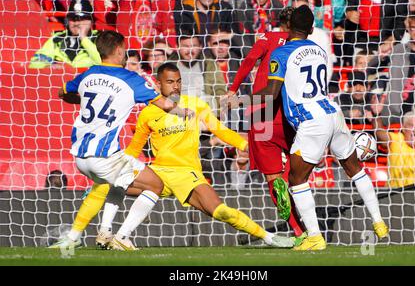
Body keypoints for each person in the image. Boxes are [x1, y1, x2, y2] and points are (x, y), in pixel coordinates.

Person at [61, 63, 295, 250]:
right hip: (159, 172)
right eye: (170, 82)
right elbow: (133, 150)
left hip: (188, 175)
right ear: (159, 83)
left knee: (220, 211)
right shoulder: (148, 114)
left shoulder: (196, 105)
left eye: (178, 81)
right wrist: (107, 174)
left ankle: (268, 237)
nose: (175, 86)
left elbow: (220, 130)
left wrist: (246, 144)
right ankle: (93, 235)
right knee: (106, 185)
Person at [258, 5, 388, 250]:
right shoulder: (318, 50)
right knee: (354, 167)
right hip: (333, 112)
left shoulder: (281, 53)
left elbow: (272, 92)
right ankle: (379, 221)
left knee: (297, 178)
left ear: (286, 28)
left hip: (310, 120)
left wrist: (250, 96)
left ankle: (315, 237)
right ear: (310, 29)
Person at [48, 30, 192, 249]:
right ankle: (122, 237)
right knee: (155, 185)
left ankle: (98, 233)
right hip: (104, 157)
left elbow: (61, 92)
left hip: (80, 158)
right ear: (118, 51)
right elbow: (166, 105)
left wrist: (83, 99)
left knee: (118, 181)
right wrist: (186, 112)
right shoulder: (130, 79)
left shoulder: (89, 74)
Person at [225, 6, 306, 243]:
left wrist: (232, 90)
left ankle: (297, 231)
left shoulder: (268, 38)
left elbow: (249, 60)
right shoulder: (301, 47)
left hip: (262, 109)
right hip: (289, 109)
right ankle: (287, 178)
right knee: (298, 158)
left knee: (271, 176)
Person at [366, 11, 415, 124]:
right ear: (408, 29)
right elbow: (369, 68)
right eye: (414, 27)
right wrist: (381, 57)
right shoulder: (398, 50)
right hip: (393, 113)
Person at [367, 101, 415, 188]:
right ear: (403, 129)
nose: (414, 130)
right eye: (410, 126)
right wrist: (376, 115)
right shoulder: (396, 140)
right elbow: (379, 133)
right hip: (394, 194)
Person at [29, 0, 100, 69]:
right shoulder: (57, 39)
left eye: (82, 19)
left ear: (91, 21)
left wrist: (84, 39)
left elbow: (101, 62)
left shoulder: (100, 38)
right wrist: (48, 66)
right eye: (73, 19)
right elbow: (36, 61)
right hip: (61, 78)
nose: (77, 23)